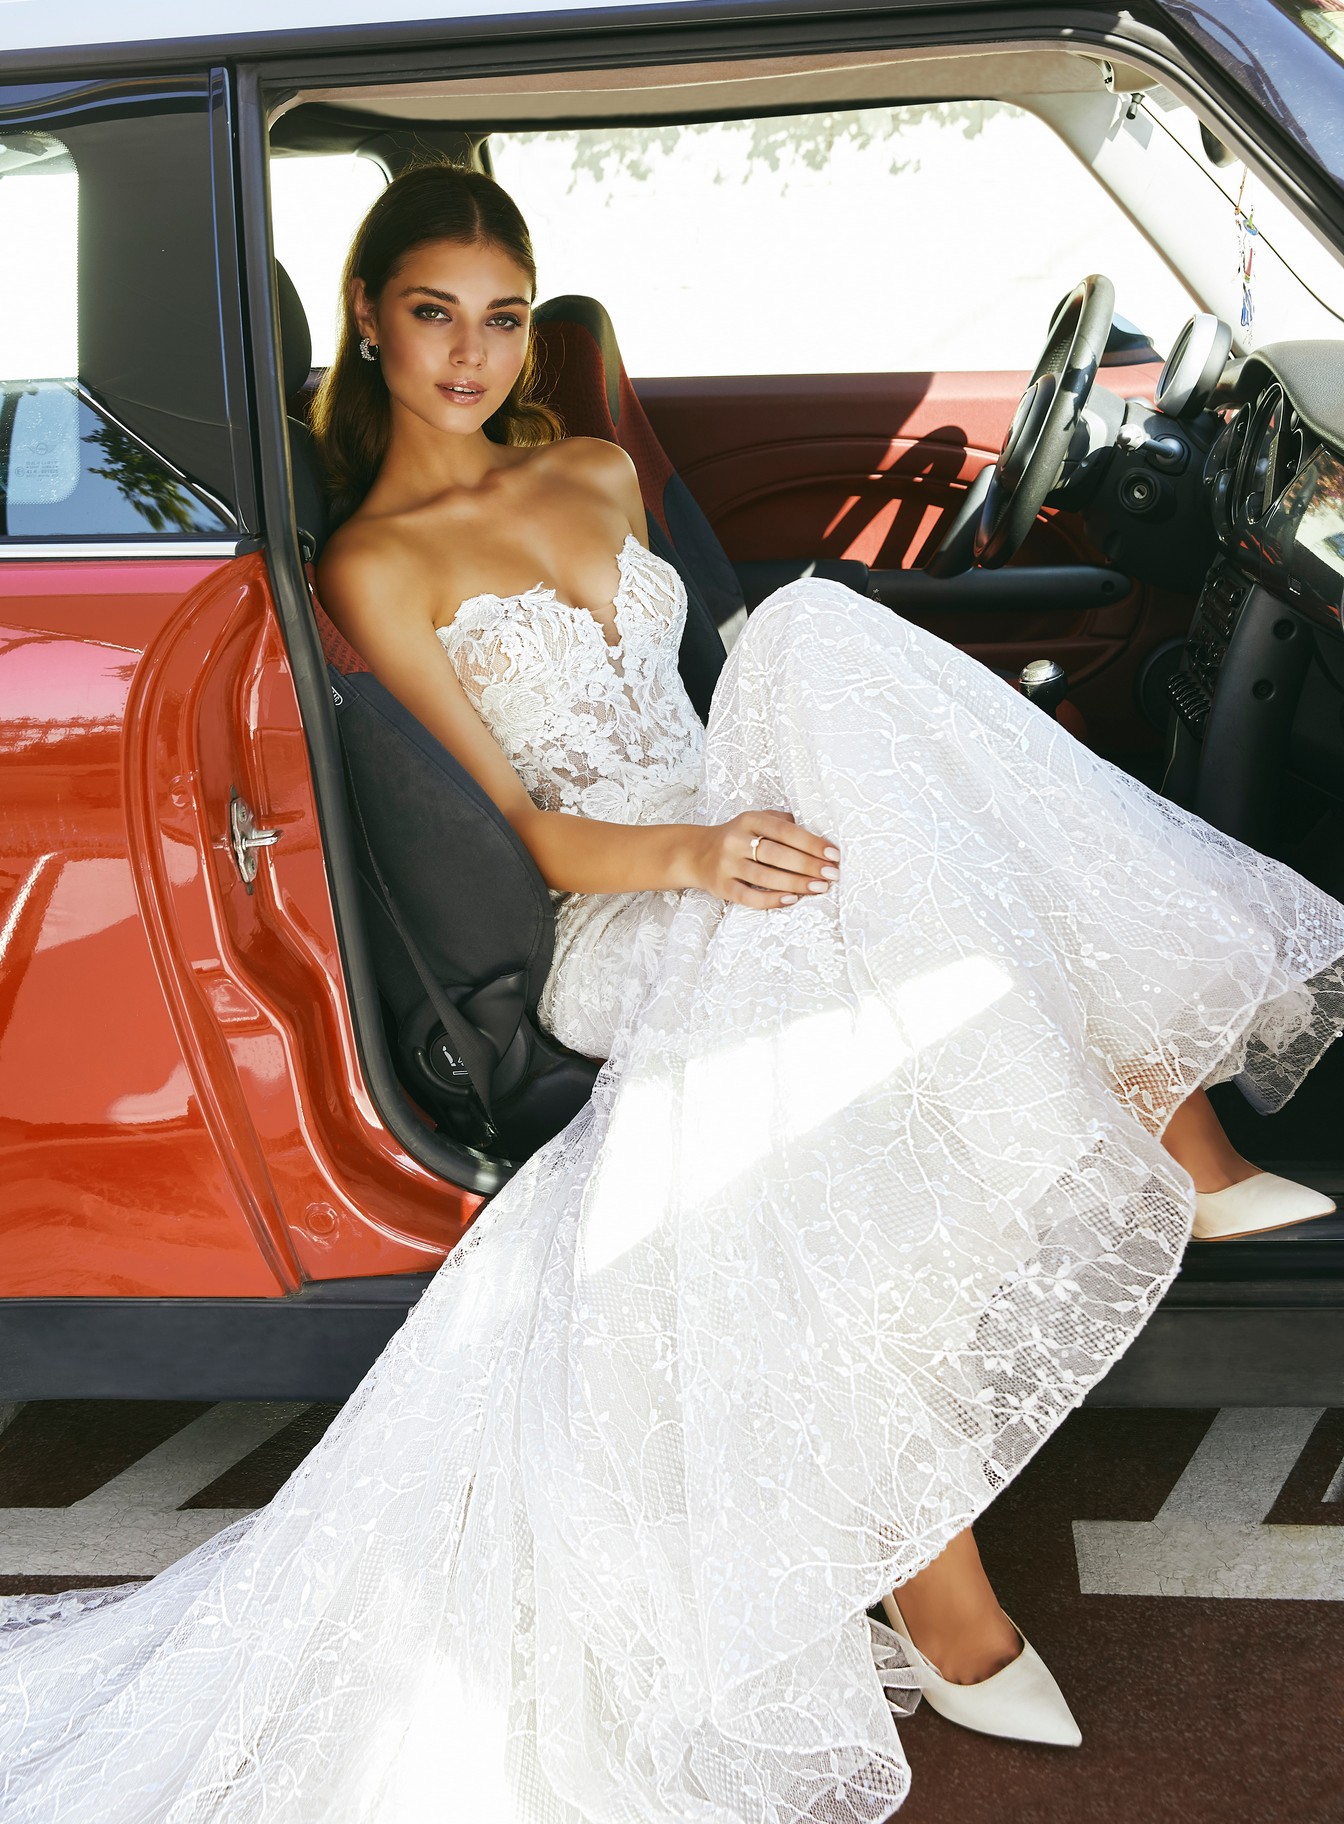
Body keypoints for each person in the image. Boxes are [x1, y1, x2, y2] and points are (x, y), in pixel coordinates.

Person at [1, 162, 1340, 1822]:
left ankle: (979, 1494)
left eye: (501, 318)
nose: (472, 354)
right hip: (626, 908)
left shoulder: (594, 469)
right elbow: (533, 831)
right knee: (824, 657)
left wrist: (747, 829)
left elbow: (699, 702)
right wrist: (701, 859)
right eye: (433, 317)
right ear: (369, 320)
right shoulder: (376, 561)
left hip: (743, 832)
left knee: (821, 664)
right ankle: (1153, 1171)